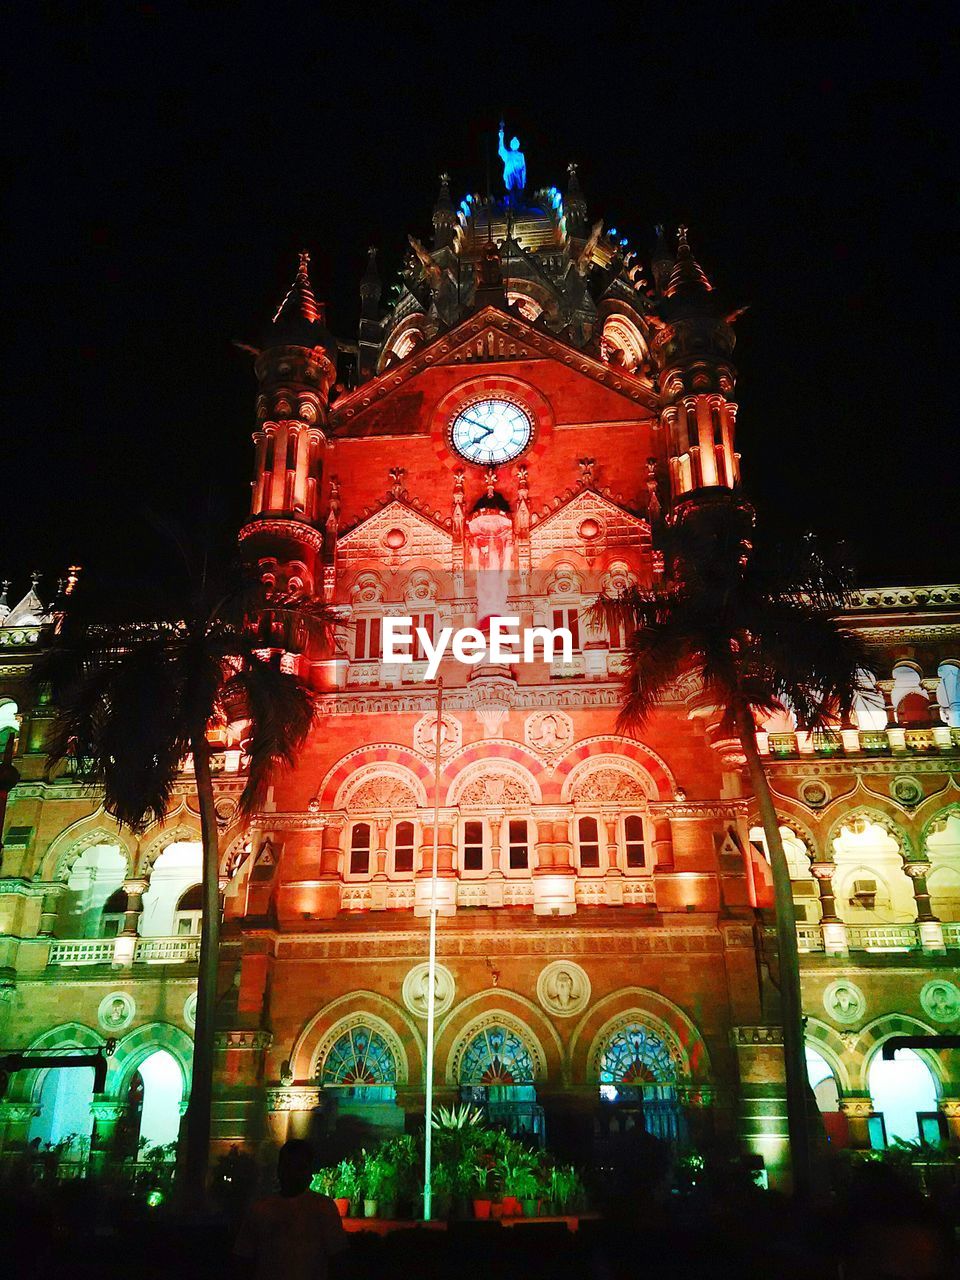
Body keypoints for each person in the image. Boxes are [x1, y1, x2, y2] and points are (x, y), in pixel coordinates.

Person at [234, 1139, 348, 1280]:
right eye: (289, 1167)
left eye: (299, 1167)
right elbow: (338, 1257)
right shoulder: (323, 1207)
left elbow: (243, 1258)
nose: (293, 1174)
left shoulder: (261, 1208)